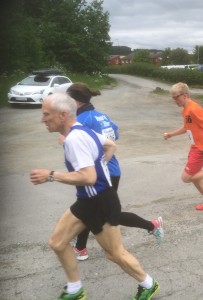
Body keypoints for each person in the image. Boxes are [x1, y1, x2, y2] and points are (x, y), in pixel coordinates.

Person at [30, 92, 160, 300]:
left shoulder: (75, 139)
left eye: (46, 114)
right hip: (88, 201)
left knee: (115, 253)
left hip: (100, 202)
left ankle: (149, 284)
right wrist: (102, 168)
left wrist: (51, 175)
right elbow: (111, 145)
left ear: (63, 114)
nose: (42, 119)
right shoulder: (83, 130)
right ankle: (75, 289)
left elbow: (88, 177)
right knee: (57, 242)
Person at [62, 82, 164, 261]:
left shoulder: (82, 120)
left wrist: (64, 140)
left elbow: (78, 142)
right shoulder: (101, 116)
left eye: (67, 99)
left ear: (75, 101)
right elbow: (114, 136)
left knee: (101, 213)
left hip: (100, 173)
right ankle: (80, 247)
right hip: (111, 169)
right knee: (96, 212)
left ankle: (152, 225)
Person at [163, 82, 203, 210]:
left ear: (185, 95)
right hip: (195, 147)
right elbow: (187, 127)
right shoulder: (185, 109)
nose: (174, 100)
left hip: (200, 149)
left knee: (186, 178)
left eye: (176, 97)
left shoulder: (194, 109)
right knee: (194, 177)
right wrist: (171, 134)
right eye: (173, 97)